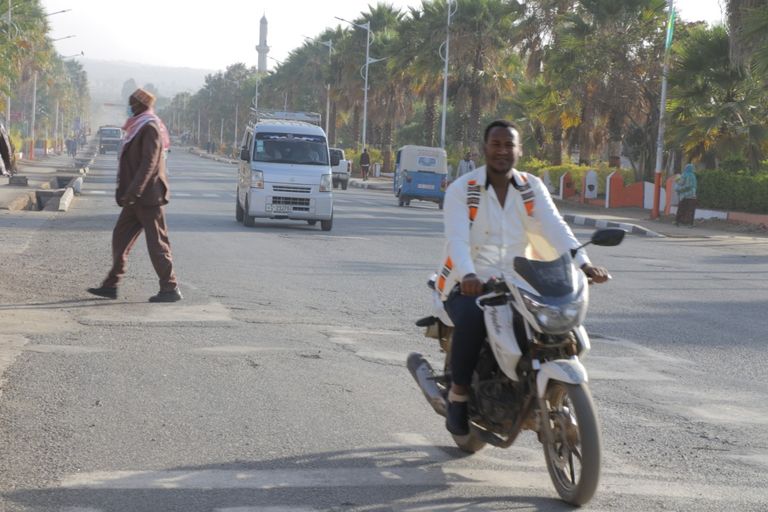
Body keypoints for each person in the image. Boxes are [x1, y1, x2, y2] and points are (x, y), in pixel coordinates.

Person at [438, 120, 610, 436]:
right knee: (473, 318)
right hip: (471, 282)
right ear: (485, 148)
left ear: (519, 150)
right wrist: (470, 275)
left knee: (553, 326)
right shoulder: (463, 189)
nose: (502, 151)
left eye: (509, 145)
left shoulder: (531, 187)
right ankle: (458, 394)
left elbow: (555, 227)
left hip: (520, 281)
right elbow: (457, 240)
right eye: (496, 144)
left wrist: (584, 265)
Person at [87, 88, 182, 303]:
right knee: (120, 238)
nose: (130, 108)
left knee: (157, 244)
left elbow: (149, 163)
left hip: (148, 197)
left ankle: (170, 287)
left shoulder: (150, 127)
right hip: (135, 198)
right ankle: (111, 285)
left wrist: (134, 190)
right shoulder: (138, 126)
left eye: (132, 104)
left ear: (140, 105)